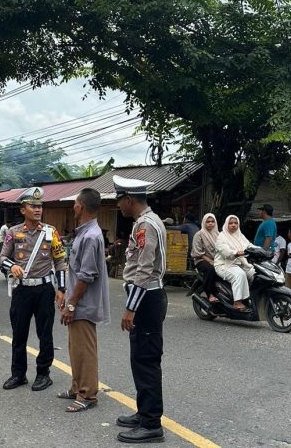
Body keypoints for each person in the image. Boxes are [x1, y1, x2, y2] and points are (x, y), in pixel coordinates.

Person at [113, 176, 168, 444]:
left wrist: (130, 308)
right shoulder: (146, 221)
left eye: (120, 200)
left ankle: (151, 423)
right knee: (140, 359)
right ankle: (144, 412)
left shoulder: (146, 224)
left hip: (147, 299)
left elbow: (144, 270)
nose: (119, 206)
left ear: (130, 200)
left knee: (146, 361)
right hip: (147, 297)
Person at [0, 187, 67, 392]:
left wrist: (61, 288)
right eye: (33, 206)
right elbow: (2, 258)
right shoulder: (13, 233)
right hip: (22, 290)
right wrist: (13, 266)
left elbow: (60, 261)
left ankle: (43, 374)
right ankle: (18, 374)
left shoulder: (50, 231)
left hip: (44, 289)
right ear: (23, 210)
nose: (37, 210)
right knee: (19, 334)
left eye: (40, 206)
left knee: (44, 333)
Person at [58, 188, 111, 412]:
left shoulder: (90, 236)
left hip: (83, 303)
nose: (73, 207)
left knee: (85, 350)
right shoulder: (84, 232)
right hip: (77, 301)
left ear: (81, 205)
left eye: (75, 203)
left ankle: (88, 394)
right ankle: (77, 387)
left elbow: (87, 275)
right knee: (75, 348)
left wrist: (71, 303)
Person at [214, 215, 254, 312]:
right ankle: (237, 302)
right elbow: (226, 251)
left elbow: (249, 245)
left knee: (255, 272)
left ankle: (251, 298)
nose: (233, 225)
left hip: (241, 264)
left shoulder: (240, 236)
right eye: (231, 223)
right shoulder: (221, 237)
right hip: (224, 265)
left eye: (236, 223)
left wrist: (262, 250)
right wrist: (235, 252)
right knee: (239, 275)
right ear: (226, 224)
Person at [191, 213, 220, 302]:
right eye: (208, 222)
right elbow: (197, 252)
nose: (210, 223)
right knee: (211, 269)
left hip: (216, 259)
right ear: (204, 223)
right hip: (201, 259)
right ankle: (210, 293)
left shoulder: (218, 234)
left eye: (212, 221)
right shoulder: (199, 235)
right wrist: (210, 261)